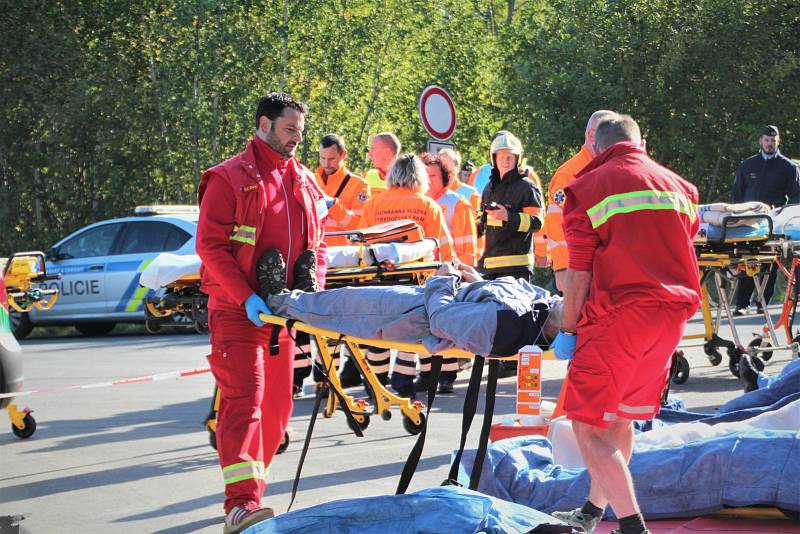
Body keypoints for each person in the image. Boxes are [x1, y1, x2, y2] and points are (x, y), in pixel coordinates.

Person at [551, 114, 701, 534]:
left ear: (596, 148)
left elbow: (579, 272)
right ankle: (592, 512)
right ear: (641, 143)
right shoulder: (681, 189)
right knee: (620, 418)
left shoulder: (585, 188)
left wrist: (568, 328)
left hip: (618, 317)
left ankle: (633, 527)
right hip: (671, 317)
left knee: (586, 423)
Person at [196, 92, 328, 534]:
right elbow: (210, 247)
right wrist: (243, 296)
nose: (296, 139)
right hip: (239, 313)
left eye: (300, 132)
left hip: (283, 315)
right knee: (245, 404)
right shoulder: (228, 178)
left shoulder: (305, 180)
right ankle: (240, 505)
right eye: (289, 129)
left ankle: (254, 493)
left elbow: (319, 246)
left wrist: (316, 288)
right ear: (263, 125)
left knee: (277, 408)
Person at [264, 260, 563, 359]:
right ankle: (297, 297)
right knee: (340, 301)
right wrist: (478, 281)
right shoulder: (543, 304)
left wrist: (444, 279)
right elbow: (498, 296)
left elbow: (442, 320)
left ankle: (275, 299)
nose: (569, 297)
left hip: (413, 314)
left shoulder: (510, 325)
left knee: (341, 307)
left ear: (570, 328)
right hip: (427, 298)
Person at [359, 154, 455, 397]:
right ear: (420, 176)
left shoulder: (373, 204)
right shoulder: (427, 206)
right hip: (415, 279)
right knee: (409, 333)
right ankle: (402, 383)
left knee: (378, 331)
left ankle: (376, 383)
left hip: (378, 278)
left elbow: (362, 246)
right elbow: (440, 246)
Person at [292, 134, 370, 395]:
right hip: (311, 260)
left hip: (342, 264)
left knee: (333, 326)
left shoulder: (358, 187)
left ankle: (327, 378)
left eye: (332, 159)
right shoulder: (308, 179)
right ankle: (296, 379)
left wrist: (334, 207)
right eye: (323, 158)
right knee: (302, 323)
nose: (326, 163)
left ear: (343, 155)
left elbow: (359, 226)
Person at [478, 130, 544, 378]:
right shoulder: (489, 188)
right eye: (501, 157)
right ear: (493, 159)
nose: (506, 161)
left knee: (516, 312)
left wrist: (510, 217)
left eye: (510, 157)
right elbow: (482, 224)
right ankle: (501, 357)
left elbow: (538, 222)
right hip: (492, 262)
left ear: (518, 159)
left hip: (517, 262)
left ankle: (514, 361)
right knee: (496, 313)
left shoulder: (526, 187)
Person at [418, 152, 478, 393]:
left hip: (452, 274)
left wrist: (464, 274)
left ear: (445, 176)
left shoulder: (456, 203)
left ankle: (447, 375)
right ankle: (426, 374)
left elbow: (468, 244)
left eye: (433, 175)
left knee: (446, 325)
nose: (429, 180)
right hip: (425, 274)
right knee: (424, 325)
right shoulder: (420, 203)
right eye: (425, 175)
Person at [731, 125, 800, 315]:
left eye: (773, 140)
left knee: (770, 263)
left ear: (778, 142)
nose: (770, 143)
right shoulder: (747, 165)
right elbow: (737, 195)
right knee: (748, 260)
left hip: (774, 222)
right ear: (760, 141)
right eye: (767, 140)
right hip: (749, 222)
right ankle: (742, 304)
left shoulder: (788, 167)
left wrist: (783, 215)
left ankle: (762, 303)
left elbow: (796, 198)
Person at [545, 110, 616, 293]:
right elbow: (555, 222)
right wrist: (561, 268)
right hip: (578, 272)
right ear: (592, 135)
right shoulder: (568, 174)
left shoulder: (611, 168)